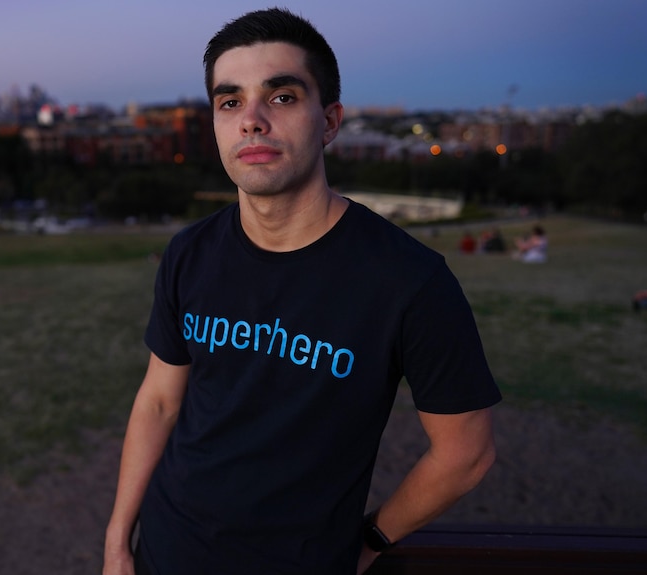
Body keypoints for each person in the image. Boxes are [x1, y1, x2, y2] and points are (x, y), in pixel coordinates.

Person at [103, 8, 501, 575]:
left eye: (283, 96)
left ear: (330, 120)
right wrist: (119, 539)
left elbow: (467, 454)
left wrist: (373, 541)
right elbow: (160, 401)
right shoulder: (189, 253)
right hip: (166, 551)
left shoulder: (409, 280)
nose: (252, 120)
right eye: (230, 101)